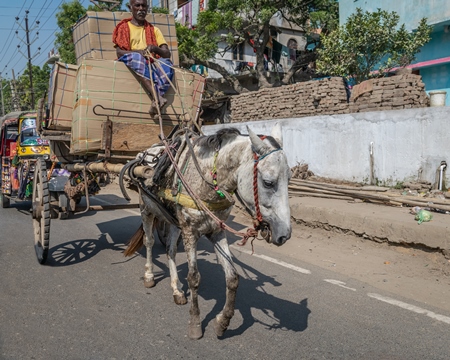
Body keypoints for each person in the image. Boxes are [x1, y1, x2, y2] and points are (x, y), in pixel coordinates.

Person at [112, 0, 174, 114]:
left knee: (167, 64)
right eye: (137, 5)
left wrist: (154, 48)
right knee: (136, 58)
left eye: (143, 6)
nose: (141, 9)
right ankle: (158, 97)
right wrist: (139, 53)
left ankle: (155, 103)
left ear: (147, 8)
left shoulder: (154, 30)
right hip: (133, 61)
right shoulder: (124, 27)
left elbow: (166, 53)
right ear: (131, 8)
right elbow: (119, 52)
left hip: (151, 64)